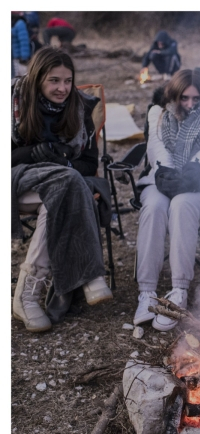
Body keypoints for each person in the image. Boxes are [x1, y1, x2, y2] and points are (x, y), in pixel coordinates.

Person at [11, 47, 113, 333]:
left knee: (62, 191)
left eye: (68, 81)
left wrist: (63, 161)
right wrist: (33, 153)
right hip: (17, 184)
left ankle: (26, 298)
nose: (63, 88)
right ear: (37, 79)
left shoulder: (82, 108)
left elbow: (89, 163)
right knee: (68, 181)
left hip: (55, 191)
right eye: (54, 80)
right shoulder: (14, 101)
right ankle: (91, 273)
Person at [133, 69, 200, 332]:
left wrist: (198, 168)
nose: (190, 104)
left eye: (196, 98)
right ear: (173, 96)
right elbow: (156, 144)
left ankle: (179, 291)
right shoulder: (158, 111)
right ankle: (147, 293)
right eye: (184, 98)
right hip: (161, 177)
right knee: (154, 206)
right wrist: (165, 170)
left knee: (181, 205)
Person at [12, 12, 31, 78]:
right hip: (14, 57)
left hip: (19, 58)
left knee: (20, 78)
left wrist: (24, 57)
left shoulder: (20, 23)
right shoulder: (13, 23)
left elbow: (24, 41)